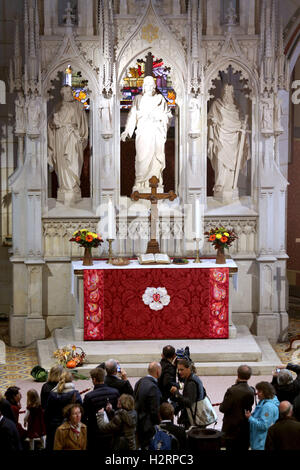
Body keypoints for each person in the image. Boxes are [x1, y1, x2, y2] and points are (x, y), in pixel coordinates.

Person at [121, 75, 172, 190]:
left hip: (156, 133)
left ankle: (155, 183)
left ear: (154, 86)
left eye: (151, 85)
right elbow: (132, 116)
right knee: (142, 158)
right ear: (143, 87)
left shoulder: (160, 99)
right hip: (143, 133)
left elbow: (168, 115)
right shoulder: (138, 99)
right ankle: (140, 182)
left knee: (155, 159)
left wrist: (159, 117)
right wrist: (127, 131)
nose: (149, 87)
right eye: (146, 85)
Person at [47, 85, 89, 202]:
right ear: (63, 94)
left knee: (74, 162)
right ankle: (64, 187)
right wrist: (55, 123)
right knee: (63, 163)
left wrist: (82, 136)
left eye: (71, 92)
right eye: (67, 92)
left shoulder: (79, 105)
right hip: (61, 138)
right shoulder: (57, 107)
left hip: (74, 137)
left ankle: (74, 187)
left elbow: (84, 124)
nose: (70, 94)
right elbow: (50, 123)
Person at [207, 83, 249, 198]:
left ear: (232, 93)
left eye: (229, 91)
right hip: (221, 138)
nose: (227, 93)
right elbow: (210, 118)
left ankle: (230, 186)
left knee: (232, 164)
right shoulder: (216, 105)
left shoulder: (236, 107)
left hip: (233, 140)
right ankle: (219, 185)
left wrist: (243, 126)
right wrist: (213, 121)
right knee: (220, 161)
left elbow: (240, 121)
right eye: (225, 91)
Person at [82, 367, 119, 451]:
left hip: (95, 433)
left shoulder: (89, 396)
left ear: (94, 379)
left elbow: (84, 416)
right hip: (112, 431)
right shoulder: (115, 392)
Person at [219, 364, 255, 451]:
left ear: (238, 374)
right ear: (249, 377)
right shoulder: (251, 390)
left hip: (231, 428)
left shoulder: (232, 390)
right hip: (244, 427)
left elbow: (223, 408)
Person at [44, 370, 82, 450]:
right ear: (71, 380)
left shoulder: (52, 394)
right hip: (71, 428)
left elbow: (47, 413)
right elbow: (80, 413)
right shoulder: (75, 394)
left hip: (54, 427)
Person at [134, 361, 162, 449]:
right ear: (158, 372)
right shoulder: (153, 387)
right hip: (147, 426)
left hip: (137, 421)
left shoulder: (140, 381)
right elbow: (154, 410)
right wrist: (158, 423)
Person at [245, 381, 279, 450]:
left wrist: (250, 418)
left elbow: (264, 425)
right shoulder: (264, 402)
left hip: (261, 443)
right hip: (260, 441)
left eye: (259, 391)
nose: (257, 393)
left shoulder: (268, 407)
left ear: (265, 392)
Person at [172, 358, 205, 430]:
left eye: (182, 370)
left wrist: (177, 393)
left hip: (193, 420)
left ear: (188, 369)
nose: (179, 372)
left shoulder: (191, 383)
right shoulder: (193, 378)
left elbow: (189, 402)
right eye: (178, 370)